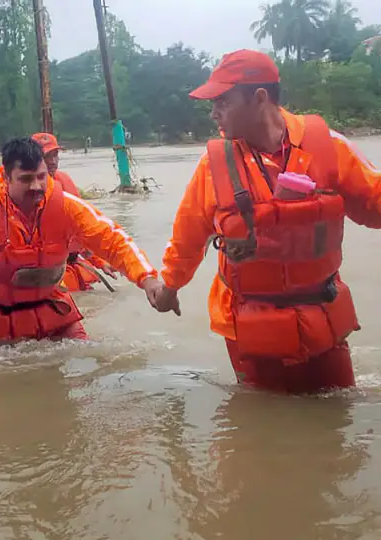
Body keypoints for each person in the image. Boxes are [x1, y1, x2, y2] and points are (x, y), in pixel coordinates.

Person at [154, 49, 381, 394]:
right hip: (249, 324)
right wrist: (169, 288)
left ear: (259, 98)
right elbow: (187, 237)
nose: (214, 113)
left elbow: (374, 203)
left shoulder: (329, 147)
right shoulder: (212, 167)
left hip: (322, 314)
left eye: (223, 101)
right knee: (262, 431)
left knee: (339, 420)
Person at [0, 137, 164, 342]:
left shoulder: (66, 205)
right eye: (26, 179)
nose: (37, 186)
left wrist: (147, 279)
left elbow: (113, 240)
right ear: (6, 178)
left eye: (41, 177)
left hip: (53, 312)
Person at [31, 132, 117, 292]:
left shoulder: (64, 182)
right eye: (46, 156)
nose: (52, 161)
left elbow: (82, 230)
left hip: (70, 263)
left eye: (55, 154)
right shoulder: (24, 192)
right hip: (43, 271)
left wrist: (100, 261)